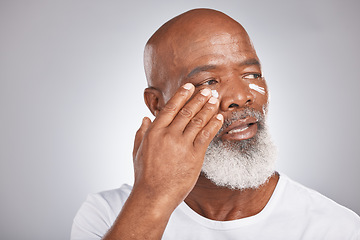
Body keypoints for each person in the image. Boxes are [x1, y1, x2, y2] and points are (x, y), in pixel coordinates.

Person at [71, 8, 360, 240]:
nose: (241, 97)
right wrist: (151, 197)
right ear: (157, 105)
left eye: (251, 75)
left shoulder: (336, 228)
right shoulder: (107, 216)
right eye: (209, 81)